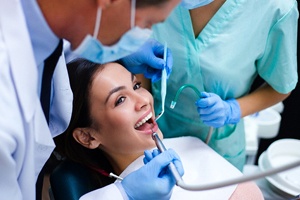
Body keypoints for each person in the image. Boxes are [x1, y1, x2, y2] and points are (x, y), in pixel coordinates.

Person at [0, 0, 185, 198]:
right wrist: (123, 195)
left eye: (136, 85)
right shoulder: (5, 113)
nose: (143, 101)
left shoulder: (43, 33)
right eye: (145, 24)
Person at [53, 58, 264, 200]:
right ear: (87, 137)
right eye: (120, 100)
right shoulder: (116, 194)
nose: (143, 100)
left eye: (136, 86)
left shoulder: (191, 144)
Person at [142, 0, 299, 171]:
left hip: (218, 146)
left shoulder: (275, 7)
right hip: (153, 131)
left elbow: (281, 87)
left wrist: (233, 110)